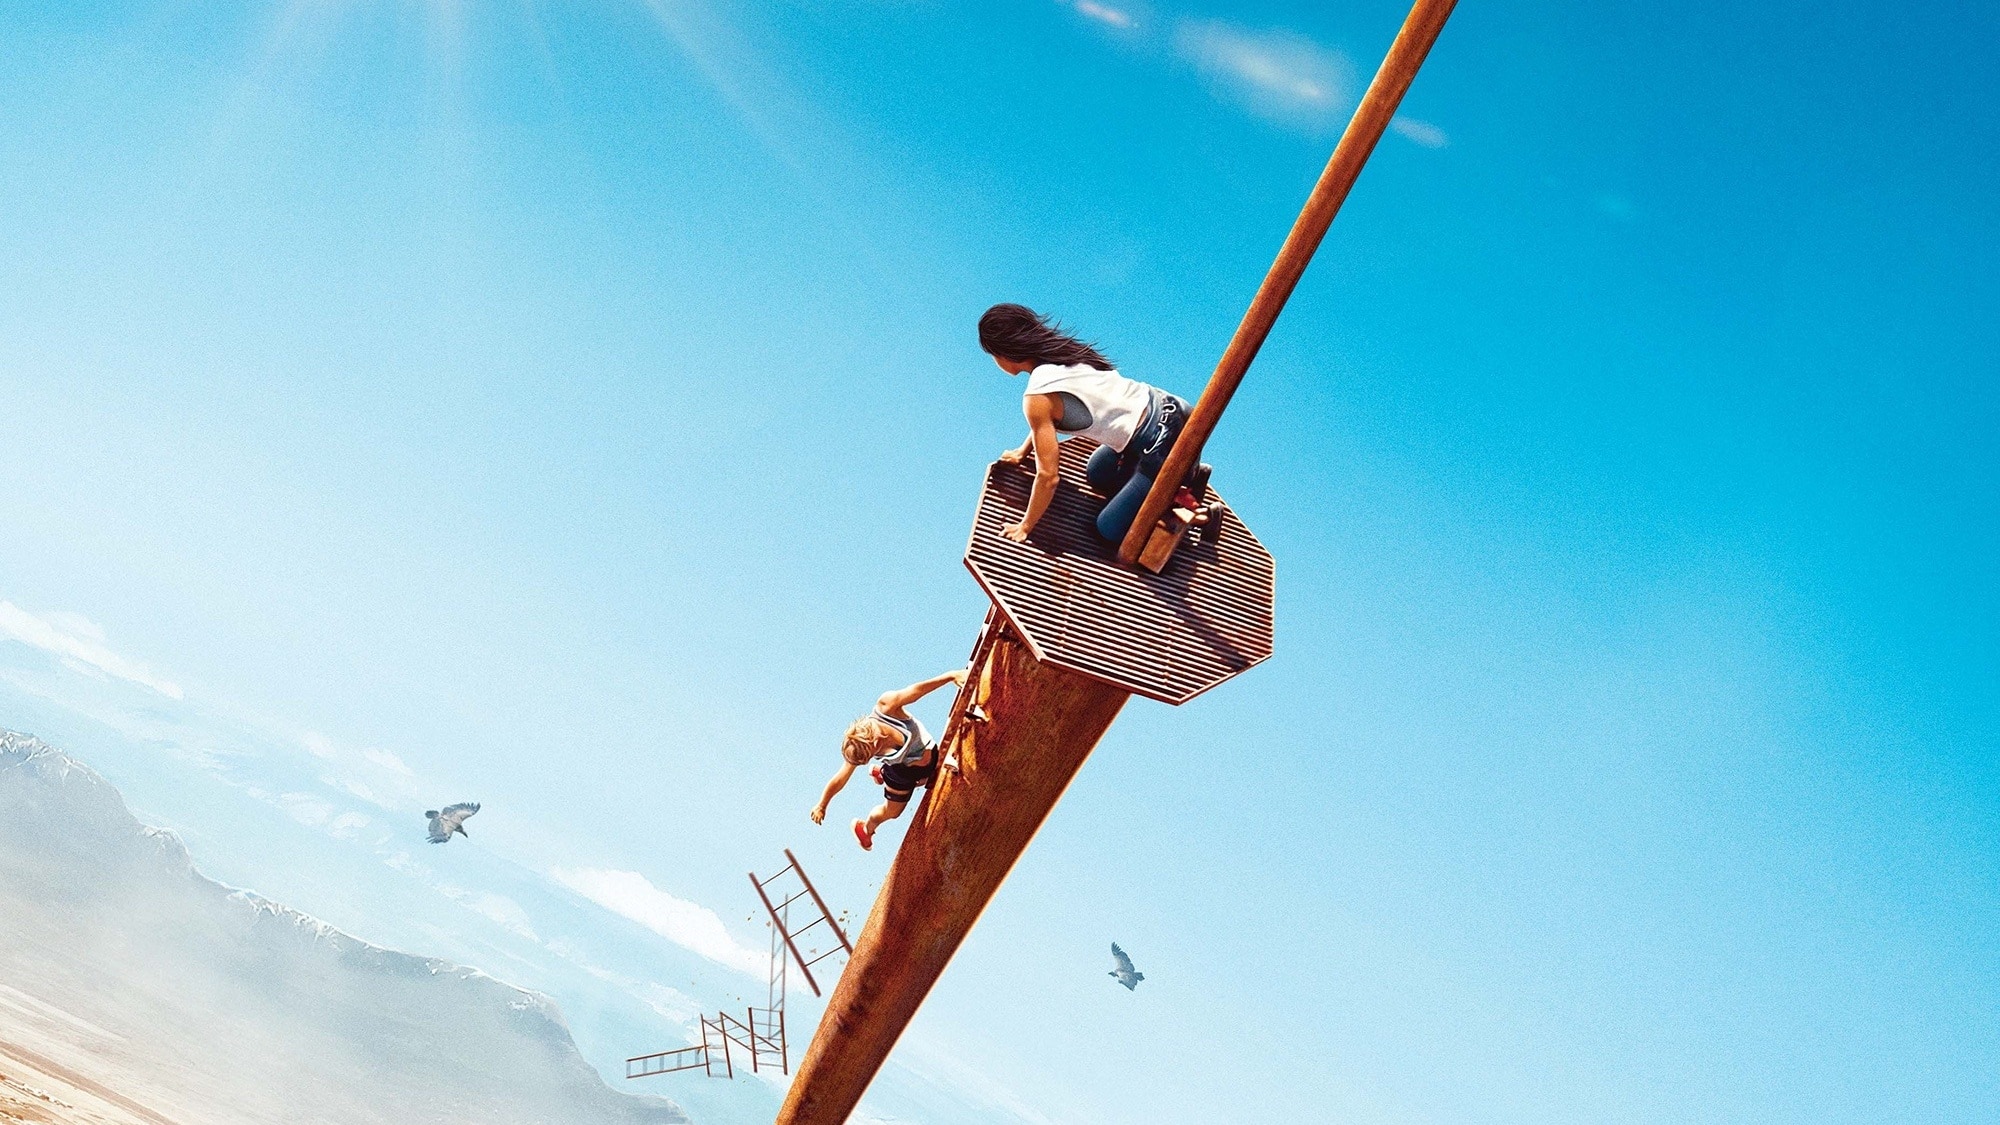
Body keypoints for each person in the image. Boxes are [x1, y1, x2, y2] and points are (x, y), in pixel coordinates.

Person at [978, 303, 1210, 545]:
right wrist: (1022, 452)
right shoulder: (1062, 354)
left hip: (1161, 441)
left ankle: (1191, 503)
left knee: (1110, 529)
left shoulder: (1037, 397)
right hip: (1168, 404)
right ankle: (1181, 474)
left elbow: (1048, 477)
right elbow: (1044, 424)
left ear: (1003, 352)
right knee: (1098, 472)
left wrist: (1025, 527)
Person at [810, 668, 968, 851]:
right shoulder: (858, 752)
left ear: (872, 738)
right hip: (901, 773)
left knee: (927, 773)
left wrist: (951, 676)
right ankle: (865, 828)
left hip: (926, 751)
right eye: (873, 755)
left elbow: (916, 691)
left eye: (875, 749)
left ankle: (881, 773)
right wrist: (822, 805)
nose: (878, 751)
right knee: (893, 813)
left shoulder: (886, 706)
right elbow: (840, 778)